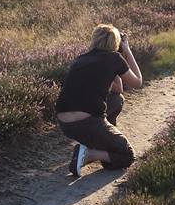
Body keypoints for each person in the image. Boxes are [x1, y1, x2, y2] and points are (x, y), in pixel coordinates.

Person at [56, 24, 144, 177]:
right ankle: (90, 154)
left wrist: (114, 69)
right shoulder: (114, 58)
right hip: (87, 122)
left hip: (65, 123)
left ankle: (100, 143)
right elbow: (138, 82)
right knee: (127, 155)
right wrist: (127, 50)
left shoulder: (81, 59)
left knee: (117, 100)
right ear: (115, 42)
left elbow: (118, 90)